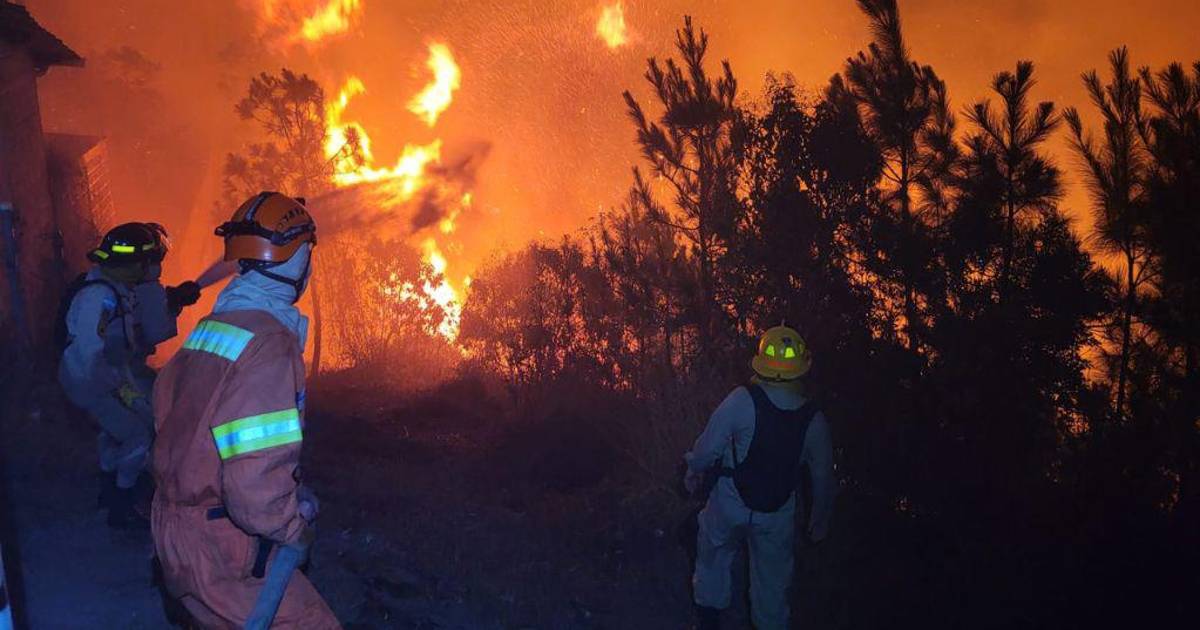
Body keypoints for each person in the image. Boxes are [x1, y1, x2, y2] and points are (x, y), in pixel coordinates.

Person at [151, 191, 339, 628]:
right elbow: (254, 483)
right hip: (221, 547)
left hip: (177, 531)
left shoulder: (213, 329)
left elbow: (167, 419)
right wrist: (293, 528)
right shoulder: (267, 344)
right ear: (297, 259)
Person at [683, 325, 836, 630]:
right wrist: (819, 521)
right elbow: (823, 477)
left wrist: (693, 470)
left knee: (712, 556)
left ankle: (709, 621)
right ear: (801, 366)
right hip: (777, 513)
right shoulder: (813, 419)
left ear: (761, 361)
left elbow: (707, 449)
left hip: (729, 502)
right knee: (772, 587)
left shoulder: (741, 400)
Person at [57, 222, 200, 529]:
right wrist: (120, 390)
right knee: (140, 434)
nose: (152, 269)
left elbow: (129, 337)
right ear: (134, 264)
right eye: (148, 262)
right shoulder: (99, 297)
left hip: (103, 379)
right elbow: (88, 353)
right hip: (93, 382)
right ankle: (122, 505)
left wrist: (172, 302)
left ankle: (110, 490)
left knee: (119, 432)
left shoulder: (113, 289)